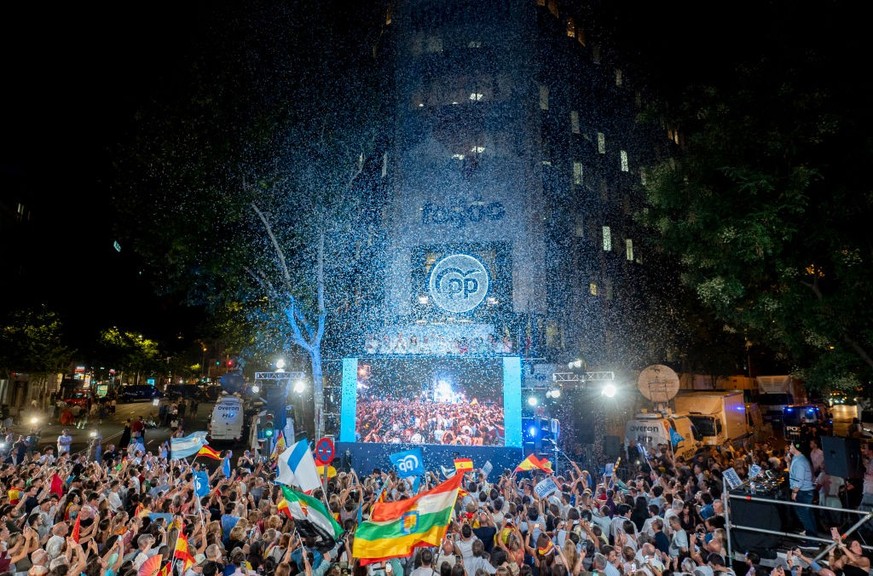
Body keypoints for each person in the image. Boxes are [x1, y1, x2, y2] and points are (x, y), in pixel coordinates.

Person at [788, 441, 818, 547]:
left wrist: (794, 491)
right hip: (806, 491)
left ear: (796, 447)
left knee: (805, 516)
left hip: (803, 492)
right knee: (808, 515)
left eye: (791, 445)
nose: (789, 447)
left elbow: (799, 479)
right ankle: (813, 538)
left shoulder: (800, 461)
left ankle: (812, 542)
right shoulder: (798, 458)